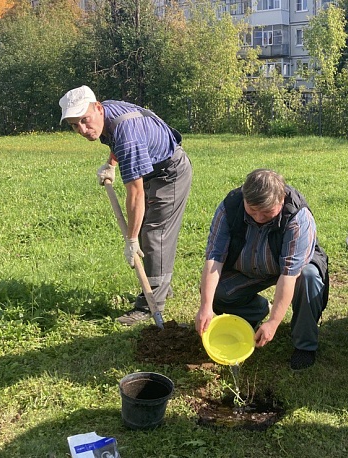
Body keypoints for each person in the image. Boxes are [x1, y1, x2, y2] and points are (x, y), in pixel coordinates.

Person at [59, 85, 193, 325]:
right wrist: (111, 163)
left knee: (154, 235)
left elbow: (135, 194)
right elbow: (115, 140)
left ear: (98, 108)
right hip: (153, 167)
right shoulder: (107, 115)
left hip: (170, 173)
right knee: (144, 230)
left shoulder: (126, 134)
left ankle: (150, 304)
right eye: (74, 125)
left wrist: (131, 241)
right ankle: (161, 286)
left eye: (85, 120)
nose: (82, 129)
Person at [194, 169, 329, 371]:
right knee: (215, 291)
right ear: (244, 198)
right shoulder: (230, 208)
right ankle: (256, 310)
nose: (258, 217)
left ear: (281, 199)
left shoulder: (298, 218)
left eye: (266, 212)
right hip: (247, 268)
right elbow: (215, 258)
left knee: (309, 278)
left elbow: (289, 274)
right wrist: (206, 307)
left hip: (288, 270)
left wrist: (274, 322)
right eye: (252, 210)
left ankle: (305, 345)